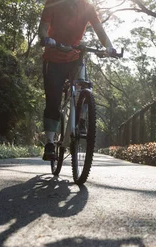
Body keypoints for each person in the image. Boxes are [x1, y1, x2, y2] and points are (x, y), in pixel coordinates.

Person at [38, 0, 116, 160]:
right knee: (53, 101)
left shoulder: (87, 7)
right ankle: (50, 143)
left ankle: (81, 121)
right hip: (53, 59)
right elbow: (43, 29)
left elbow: (100, 31)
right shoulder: (52, 3)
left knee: (84, 87)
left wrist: (110, 47)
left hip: (75, 57)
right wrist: (47, 39)